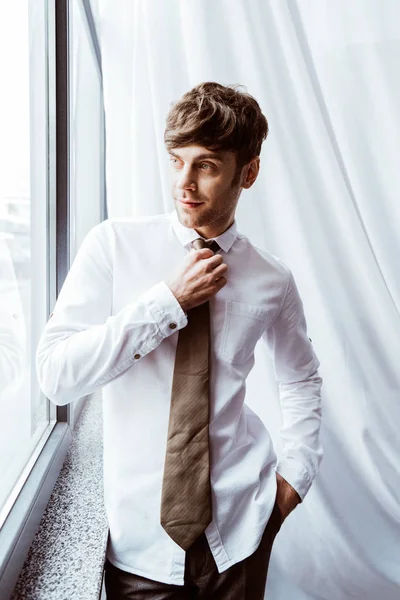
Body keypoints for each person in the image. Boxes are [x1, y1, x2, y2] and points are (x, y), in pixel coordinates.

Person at [36, 81, 323, 599]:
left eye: (207, 165)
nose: (184, 183)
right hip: (139, 548)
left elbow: (301, 377)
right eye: (177, 161)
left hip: (240, 536)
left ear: (248, 172)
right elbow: (57, 375)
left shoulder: (271, 279)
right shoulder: (113, 246)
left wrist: (293, 481)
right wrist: (167, 302)